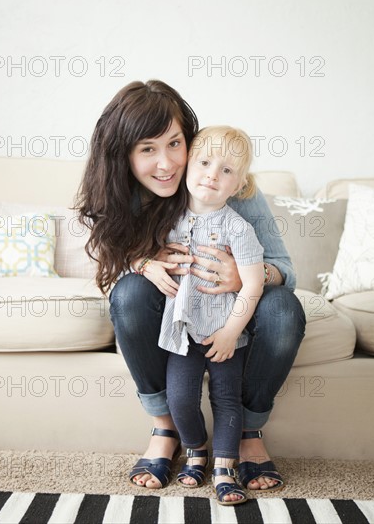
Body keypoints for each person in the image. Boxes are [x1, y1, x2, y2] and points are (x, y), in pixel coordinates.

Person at [75, 80, 306, 492]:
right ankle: (165, 428)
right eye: (148, 149)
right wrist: (141, 260)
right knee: (128, 296)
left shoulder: (224, 184)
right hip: (177, 318)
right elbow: (112, 255)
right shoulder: (121, 195)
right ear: (124, 154)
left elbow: (285, 267)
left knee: (286, 308)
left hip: (231, 309)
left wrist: (244, 274)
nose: (166, 163)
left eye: (175, 143)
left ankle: (248, 433)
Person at [159, 126, 264, 505]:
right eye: (205, 163)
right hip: (183, 334)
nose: (212, 175)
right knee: (180, 399)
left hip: (224, 334)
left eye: (226, 171)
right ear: (187, 165)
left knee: (226, 400)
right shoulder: (167, 217)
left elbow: (252, 285)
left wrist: (231, 331)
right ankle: (195, 450)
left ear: (238, 185)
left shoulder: (238, 227)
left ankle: (225, 466)